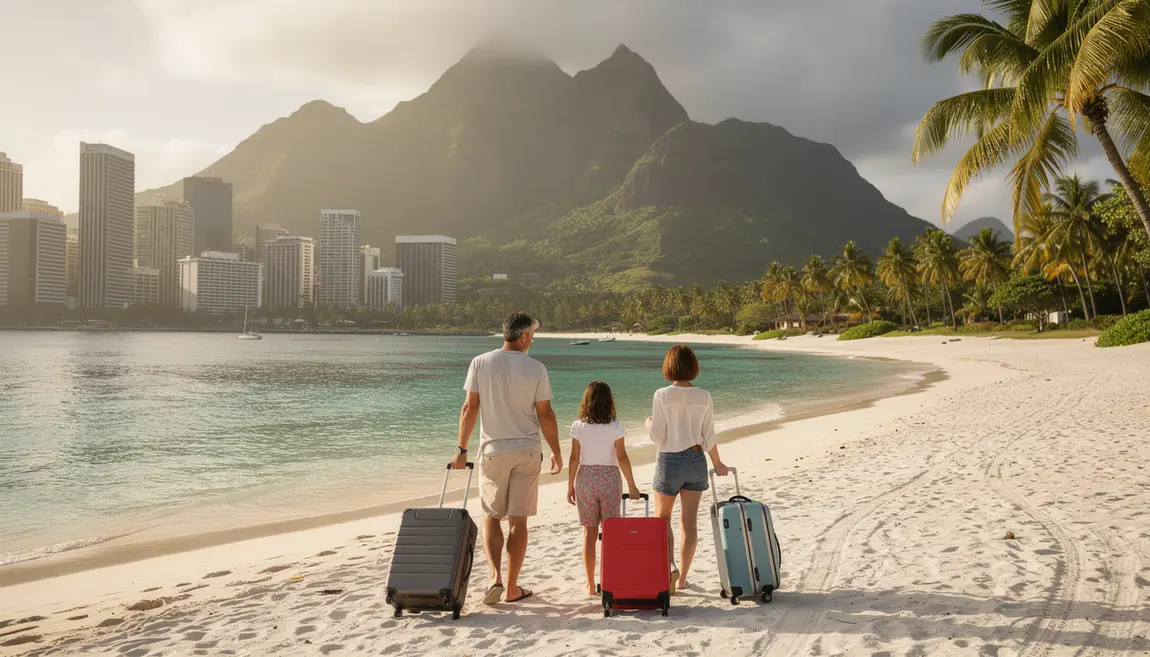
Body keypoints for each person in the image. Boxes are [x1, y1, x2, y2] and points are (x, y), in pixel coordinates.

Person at [452, 312, 562, 605]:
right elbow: (546, 414)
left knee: (491, 516)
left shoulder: (480, 362)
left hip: (493, 452)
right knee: (518, 521)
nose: (533, 340)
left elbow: (469, 409)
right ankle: (512, 587)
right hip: (526, 451)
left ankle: (495, 578)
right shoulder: (536, 368)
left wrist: (461, 450)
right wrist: (557, 450)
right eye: (533, 335)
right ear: (524, 335)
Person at [646, 344, 729, 594]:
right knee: (689, 523)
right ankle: (682, 578)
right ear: (693, 367)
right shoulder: (704, 396)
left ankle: (668, 568)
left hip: (669, 461)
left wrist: (647, 423)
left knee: (663, 521)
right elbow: (709, 435)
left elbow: (656, 436)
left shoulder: (662, 394)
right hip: (695, 460)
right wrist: (717, 463)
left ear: (669, 367)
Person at [565, 381, 641, 596]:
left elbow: (573, 458)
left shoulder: (578, 426)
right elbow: (622, 456)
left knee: (589, 533)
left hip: (586, 478)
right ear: (609, 401)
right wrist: (632, 485)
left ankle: (590, 584)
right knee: (610, 532)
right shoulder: (616, 426)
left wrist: (570, 485)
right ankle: (609, 578)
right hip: (609, 477)